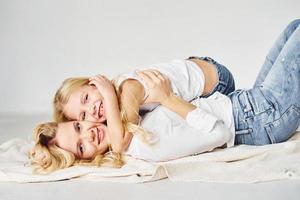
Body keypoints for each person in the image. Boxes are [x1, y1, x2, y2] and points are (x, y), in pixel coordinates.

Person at [30, 19, 300, 174]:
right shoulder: (139, 144)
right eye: (80, 147)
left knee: (294, 28)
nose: (88, 131)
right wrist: (168, 98)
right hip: (257, 119)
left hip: (241, 102)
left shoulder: (128, 109)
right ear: (86, 159)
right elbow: (218, 134)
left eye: (79, 126)